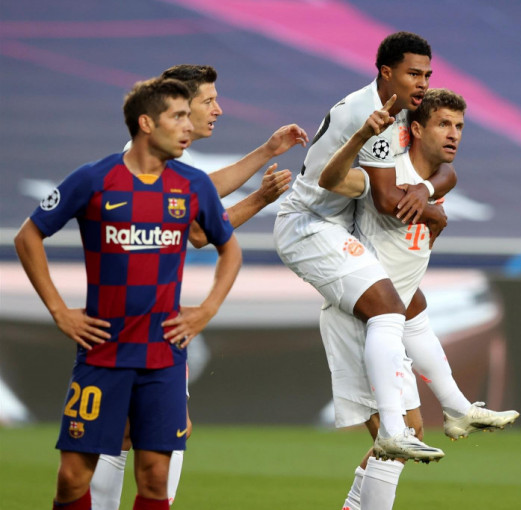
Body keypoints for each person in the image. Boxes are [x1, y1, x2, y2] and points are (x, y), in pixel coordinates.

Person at [14, 77, 242, 510]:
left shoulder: (193, 184)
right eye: (177, 116)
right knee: (71, 478)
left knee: (155, 478)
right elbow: (28, 236)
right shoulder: (95, 179)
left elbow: (229, 248)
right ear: (146, 123)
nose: (188, 126)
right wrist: (59, 311)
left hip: (163, 355)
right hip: (103, 351)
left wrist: (207, 309)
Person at [91, 64, 307, 509]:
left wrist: (267, 152)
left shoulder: (153, 159)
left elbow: (200, 195)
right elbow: (199, 230)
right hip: (144, 318)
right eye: (208, 101)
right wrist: (261, 196)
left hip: (129, 313)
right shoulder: (151, 164)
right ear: (179, 107)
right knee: (165, 431)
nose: (218, 110)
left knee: (125, 431)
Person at [320, 88, 520, 510]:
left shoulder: (439, 178)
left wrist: (427, 197)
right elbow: (345, 183)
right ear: (415, 129)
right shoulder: (384, 171)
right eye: (443, 124)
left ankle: (455, 409)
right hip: (362, 320)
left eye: (459, 126)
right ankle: (455, 409)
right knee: (398, 438)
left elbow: (442, 185)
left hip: (394, 310)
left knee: (409, 432)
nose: (454, 134)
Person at [274, 31, 453, 462]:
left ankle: (435, 414)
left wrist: (426, 191)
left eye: (427, 75)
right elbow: (388, 201)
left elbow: (444, 168)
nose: (423, 82)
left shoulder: (400, 112)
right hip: (311, 224)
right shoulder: (372, 114)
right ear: (386, 73)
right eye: (414, 73)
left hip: (346, 229)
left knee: (407, 307)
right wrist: (431, 211)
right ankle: (402, 423)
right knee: (391, 307)